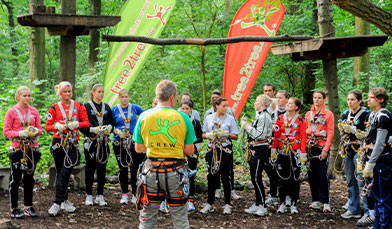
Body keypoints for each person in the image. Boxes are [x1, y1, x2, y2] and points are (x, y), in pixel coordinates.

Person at [133, 80, 196, 229]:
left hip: (150, 172)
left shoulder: (144, 116)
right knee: (180, 218)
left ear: (158, 96)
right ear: (172, 97)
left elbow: (139, 148)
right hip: (176, 173)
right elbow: (189, 151)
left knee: (147, 218)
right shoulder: (183, 118)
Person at [46, 81, 89, 217]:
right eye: (64, 92)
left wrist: (77, 123)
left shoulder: (78, 106)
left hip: (72, 142)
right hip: (58, 141)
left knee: (66, 171)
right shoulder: (54, 107)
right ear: (60, 93)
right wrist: (56, 126)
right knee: (59, 172)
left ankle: (57, 203)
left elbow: (86, 122)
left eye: (69, 91)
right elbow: (47, 126)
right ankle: (64, 200)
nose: (67, 94)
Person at [3, 86, 42, 218]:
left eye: (29, 95)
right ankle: (14, 208)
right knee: (16, 179)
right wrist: (20, 133)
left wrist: (34, 131)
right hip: (18, 149)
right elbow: (6, 132)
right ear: (18, 96)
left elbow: (40, 129)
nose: (27, 98)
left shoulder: (34, 111)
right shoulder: (11, 112)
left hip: (31, 149)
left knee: (29, 179)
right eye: (24, 95)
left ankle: (28, 206)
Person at [200, 96, 239, 215]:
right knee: (211, 176)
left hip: (225, 149)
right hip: (212, 149)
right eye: (224, 106)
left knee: (226, 176)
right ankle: (209, 203)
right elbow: (203, 133)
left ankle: (227, 203)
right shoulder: (209, 118)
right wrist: (210, 135)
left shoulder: (230, 119)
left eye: (227, 105)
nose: (226, 108)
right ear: (217, 106)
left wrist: (226, 134)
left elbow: (235, 135)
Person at [338, 90, 372, 223]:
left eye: (352, 100)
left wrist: (351, 129)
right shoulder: (346, 113)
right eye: (348, 99)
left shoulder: (366, 115)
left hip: (360, 151)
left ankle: (368, 212)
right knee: (350, 181)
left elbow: (367, 134)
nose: (350, 102)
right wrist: (342, 129)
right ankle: (354, 209)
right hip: (348, 149)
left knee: (362, 182)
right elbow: (342, 128)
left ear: (359, 101)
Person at [80, 84, 115, 206]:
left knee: (102, 168)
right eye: (99, 92)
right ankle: (89, 195)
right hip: (92, 141)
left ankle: (100, 195)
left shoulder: (106, 107)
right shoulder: (86, 107)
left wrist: (109, 128)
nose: (101, 94)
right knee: (90, 168)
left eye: (102, 92)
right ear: (93, 92)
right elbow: (82, 124)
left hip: (103, 141)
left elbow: (111, 122)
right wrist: (92, 130)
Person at [362, 87, 391, 229]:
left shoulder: (383, 116)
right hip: (372, 158)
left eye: (372, 97)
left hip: (381, 160)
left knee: (382, 198)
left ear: (381, 99)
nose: (368, 99)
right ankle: (377, 226)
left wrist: (371, 163)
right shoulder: (373, 115)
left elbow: (379, 144)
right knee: (375, 195)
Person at [271, 97, 307, 214]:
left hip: (295, 152)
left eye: (290, 103)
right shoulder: (280, 118)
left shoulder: (301, 120)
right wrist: (273, 150)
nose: (287, 104)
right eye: (287, 103)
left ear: (296, 107)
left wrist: (303, 153)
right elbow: (276, 135)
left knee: (295, 179)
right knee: (282, 178)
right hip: (282, 152)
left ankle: (293, 203)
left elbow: (303, 138)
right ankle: (282, 203)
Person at [111, 89, 145, 205]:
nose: (124, 99)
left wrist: (139, 131)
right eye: (122, 97)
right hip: (119, 143)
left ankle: (135, 193)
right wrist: (116, 131)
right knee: (122, 168)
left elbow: (145, 116)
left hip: (133, 142)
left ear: (128, 97)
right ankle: (124, 193)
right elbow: (110, 125)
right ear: (119, 98)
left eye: (126, 96)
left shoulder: (134, 108)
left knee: (135, 168)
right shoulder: (114, 110)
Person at [241, 94, 273, 216]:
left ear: (263, 104)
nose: (254, 103)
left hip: (261, 149)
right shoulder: (260, 116)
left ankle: (263, 206)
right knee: (254, 177)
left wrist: (247, 126)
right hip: (254, 149)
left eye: (256, 101)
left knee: (257, 177)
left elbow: (260, 134)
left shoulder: (265, 117)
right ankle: (258, 202)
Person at [305, 91, 334, 212]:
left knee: (322, 174)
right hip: (310, 147)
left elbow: (331, 132)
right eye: (315, 98)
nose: (317, 100)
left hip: (321, 146)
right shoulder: (308, 114)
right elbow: (304, 130)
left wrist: (326, 149)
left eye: (319, 98)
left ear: (323, 99)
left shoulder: (328, 114)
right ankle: (315, 200)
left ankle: (325, 201)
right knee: (312, 174)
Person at [180, 99, 203, 211]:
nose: (184, 111)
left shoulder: (195, 122)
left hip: (192, 151)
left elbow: (200, 137)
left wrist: (190, 141)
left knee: (191, 175)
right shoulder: (176, 120)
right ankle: (178, 199)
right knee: (178, 175)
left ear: (191, 110)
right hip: (178, 152)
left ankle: (190, 200)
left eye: (187, 109)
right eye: (182, 108)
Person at [268, 90, 290, 207]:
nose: (278, 100)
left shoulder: (290, 113)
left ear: (287, 99)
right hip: (274, 144)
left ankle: (287, 195)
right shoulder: (273, 113)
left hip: (286, 145)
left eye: (281, 98)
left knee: (286, 171)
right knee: (273, 170)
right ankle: (272, 195)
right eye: (277, 98)